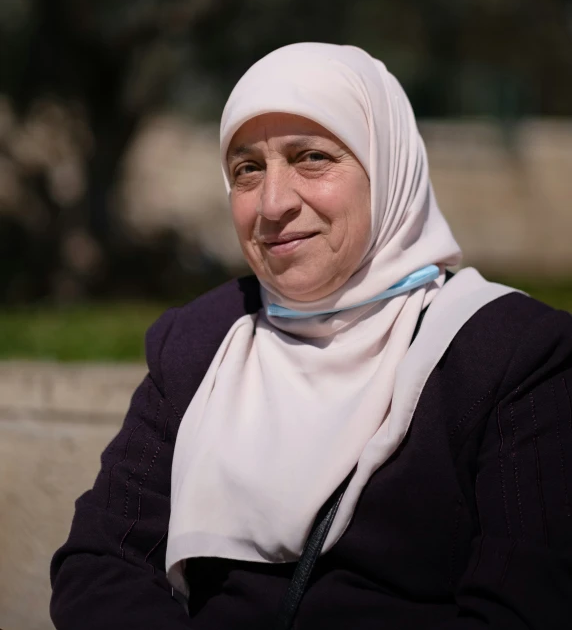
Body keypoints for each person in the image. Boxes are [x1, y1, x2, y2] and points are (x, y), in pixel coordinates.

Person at [50, 43, 572, 630]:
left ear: (388, 168)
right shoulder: (200, 343)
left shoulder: (511, 356)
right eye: (247, 169)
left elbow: (525, 606)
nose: (273, 204)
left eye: (312, 158)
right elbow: (102, 562)